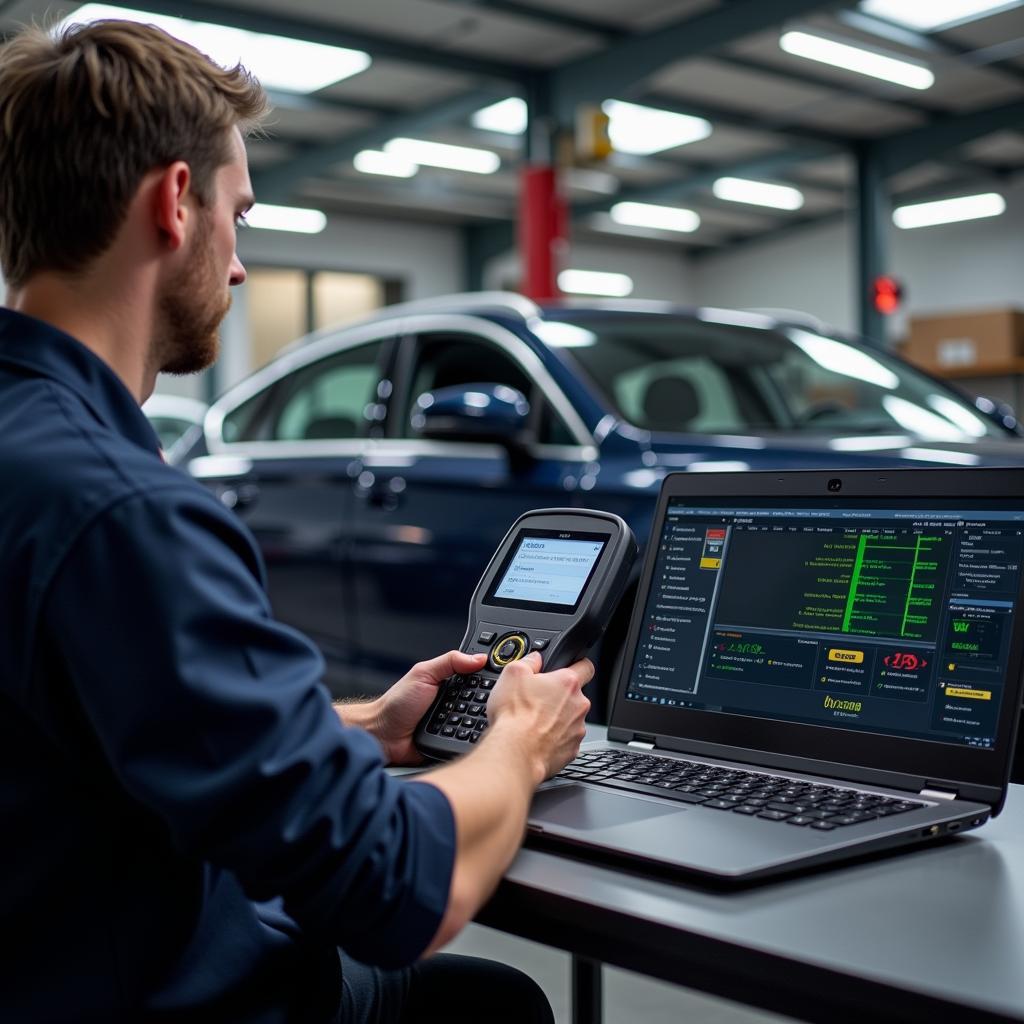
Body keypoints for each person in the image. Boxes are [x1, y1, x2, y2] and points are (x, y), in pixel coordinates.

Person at [0, 19, 593, 1023]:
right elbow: (395, 890)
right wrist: (519, 743)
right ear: (176, 203)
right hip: (156, 990)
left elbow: (103, 736)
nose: (238, 266)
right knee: (492, 1007)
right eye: (240, 212)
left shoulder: (35, 455)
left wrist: (366, 724)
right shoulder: (123, 511)